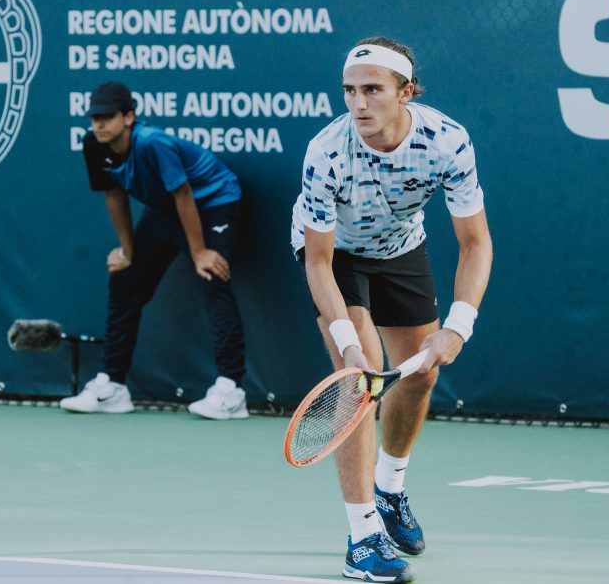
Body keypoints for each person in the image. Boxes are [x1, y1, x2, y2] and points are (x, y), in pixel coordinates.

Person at [291, 37, 493, 582]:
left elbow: (475, 243)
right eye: (350, 91)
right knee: (358, 385)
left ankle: (390, 489)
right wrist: (347, 339)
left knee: (420, 376)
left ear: (406, 92)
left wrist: (457, 328)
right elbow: (317, 261)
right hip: (337, 257)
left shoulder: (448, 142)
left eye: (373, 91)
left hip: (401, 246)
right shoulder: (326, 151)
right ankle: (361, 539)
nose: (359, 104)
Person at [60, 80, 249, 420]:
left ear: (129, 116)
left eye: (106, 116)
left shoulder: (152, 143)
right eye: (94, 117)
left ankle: (231, 391)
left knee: (211, 276)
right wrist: (128, 251)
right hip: (166, 210)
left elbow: (184, 194)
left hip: (215, 202)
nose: (98, 124)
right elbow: (114, 194)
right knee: (125, 279)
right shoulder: (94, 144)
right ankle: (113, 386)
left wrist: (200, 252)